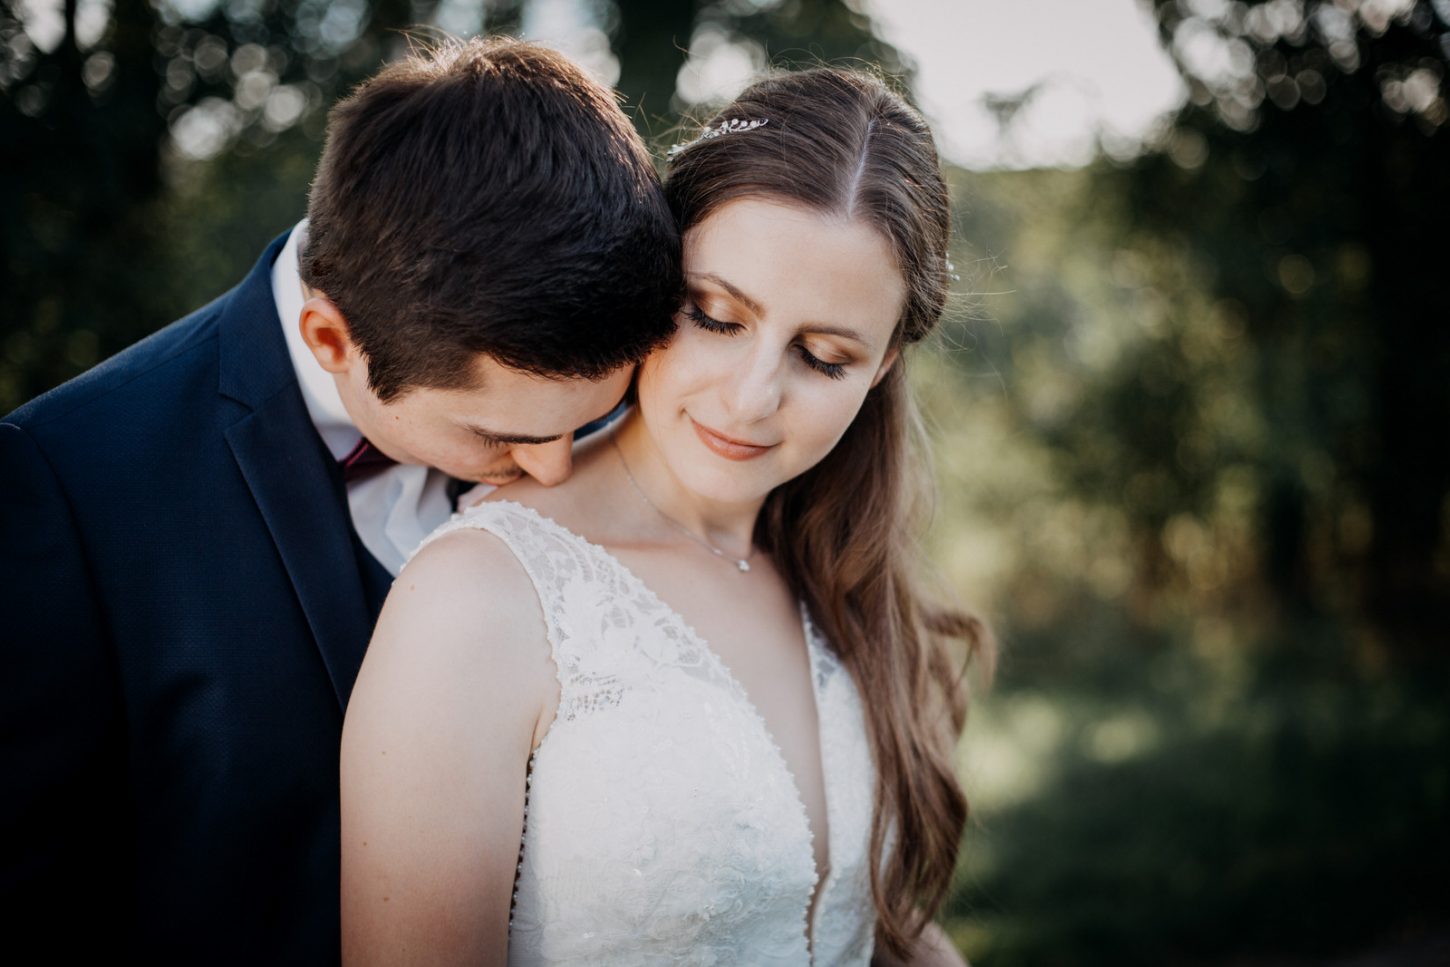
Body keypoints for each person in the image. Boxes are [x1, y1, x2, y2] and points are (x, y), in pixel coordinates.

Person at [0, 38, 680, 961]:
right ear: (330, 337)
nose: (557, 470)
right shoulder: (71, 486)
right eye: (498, 435)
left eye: (588, 420)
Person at [341, 67, 993, 965]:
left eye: (823, 357)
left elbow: (860, 920)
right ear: (655, 284)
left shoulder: (837, 570)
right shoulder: (481, 596)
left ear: (881, 367)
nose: (751, 397)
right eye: (716, 317)